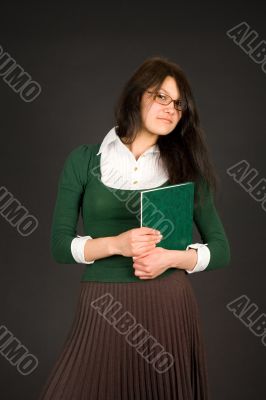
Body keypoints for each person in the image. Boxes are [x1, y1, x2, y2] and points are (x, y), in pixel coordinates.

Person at [39, 56, 231, 400]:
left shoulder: (187, 168)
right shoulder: (84, 160)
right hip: (103, 303)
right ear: (136, 96)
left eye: (179, 104)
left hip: (167, 306)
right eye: (161, 97)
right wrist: (116, 244)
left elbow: (221, 249)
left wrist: (170, 258)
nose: (171, 109)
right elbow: (59, 245)